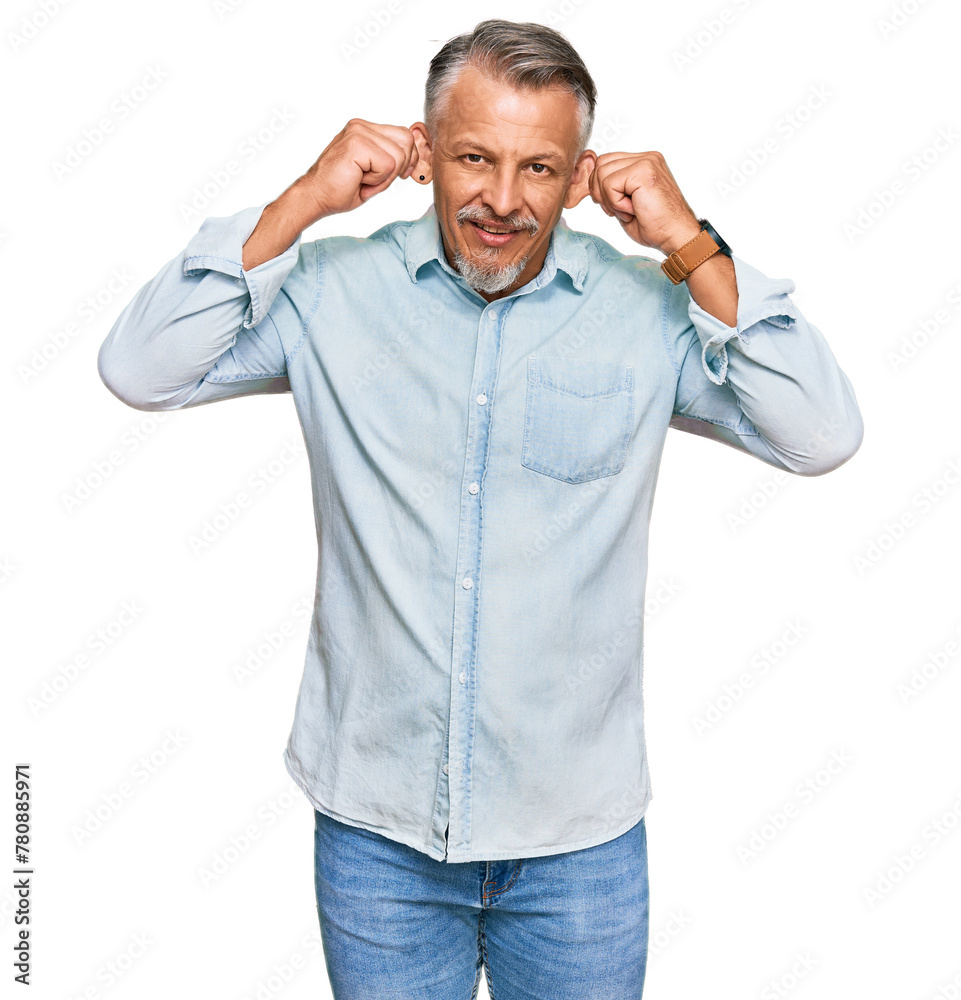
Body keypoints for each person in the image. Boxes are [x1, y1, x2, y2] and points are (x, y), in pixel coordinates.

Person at [97, 17, 863, 1000]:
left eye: (537, 167)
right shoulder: (329, 295)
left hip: (577, 841)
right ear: (424, 150)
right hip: (378, 835)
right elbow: (141, 368)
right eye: (474, 158)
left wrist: (686, 240)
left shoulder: (647, 312)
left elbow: (819, 432)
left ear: (579, 176)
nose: (502, 200)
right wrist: (303, 200)